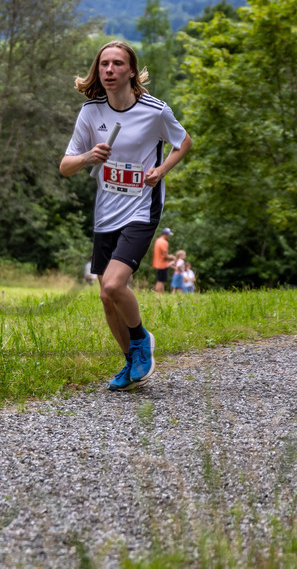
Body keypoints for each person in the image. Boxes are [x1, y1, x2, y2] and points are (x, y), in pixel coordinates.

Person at [59, 39, 192, 391]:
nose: (109, 70)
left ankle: (140, 340)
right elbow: (65, 166)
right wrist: (89, 156)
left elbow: (184, 142)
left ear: (131, 71)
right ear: (97, 70)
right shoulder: (91, 112)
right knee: (106, 296)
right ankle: (130, 363)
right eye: (104, 64)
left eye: (117, 64)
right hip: (106, 213)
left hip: (141, 208)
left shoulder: (154, 110)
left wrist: (162, 170)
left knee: (116, 284)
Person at [152, 228, 174, 293]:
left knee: (160, 279)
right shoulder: (164, 242)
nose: (169, 236)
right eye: (169, 235)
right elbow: (165, 256)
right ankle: (158, 294)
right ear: (166, 234)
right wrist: (172, 257)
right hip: (162, 264)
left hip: (157, 263)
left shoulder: (158, 240)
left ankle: (160, 294)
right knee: (161, 281)